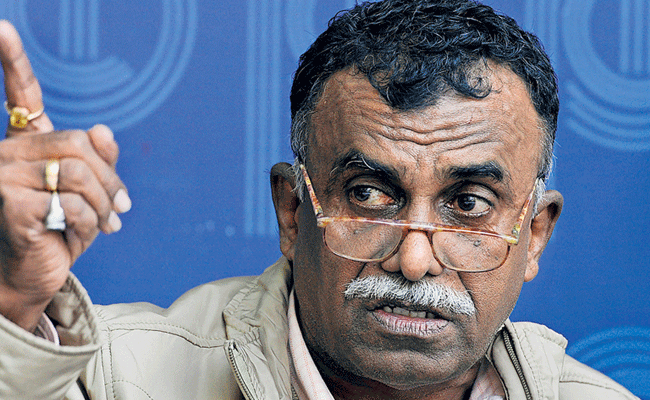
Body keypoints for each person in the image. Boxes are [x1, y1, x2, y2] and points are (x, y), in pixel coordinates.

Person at [0, 0, 639, 399]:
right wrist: (12, 299)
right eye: (369, 195)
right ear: (292, 211)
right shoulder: (113, 379)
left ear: (534, 235)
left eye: (468, 204)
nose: (414, 261)